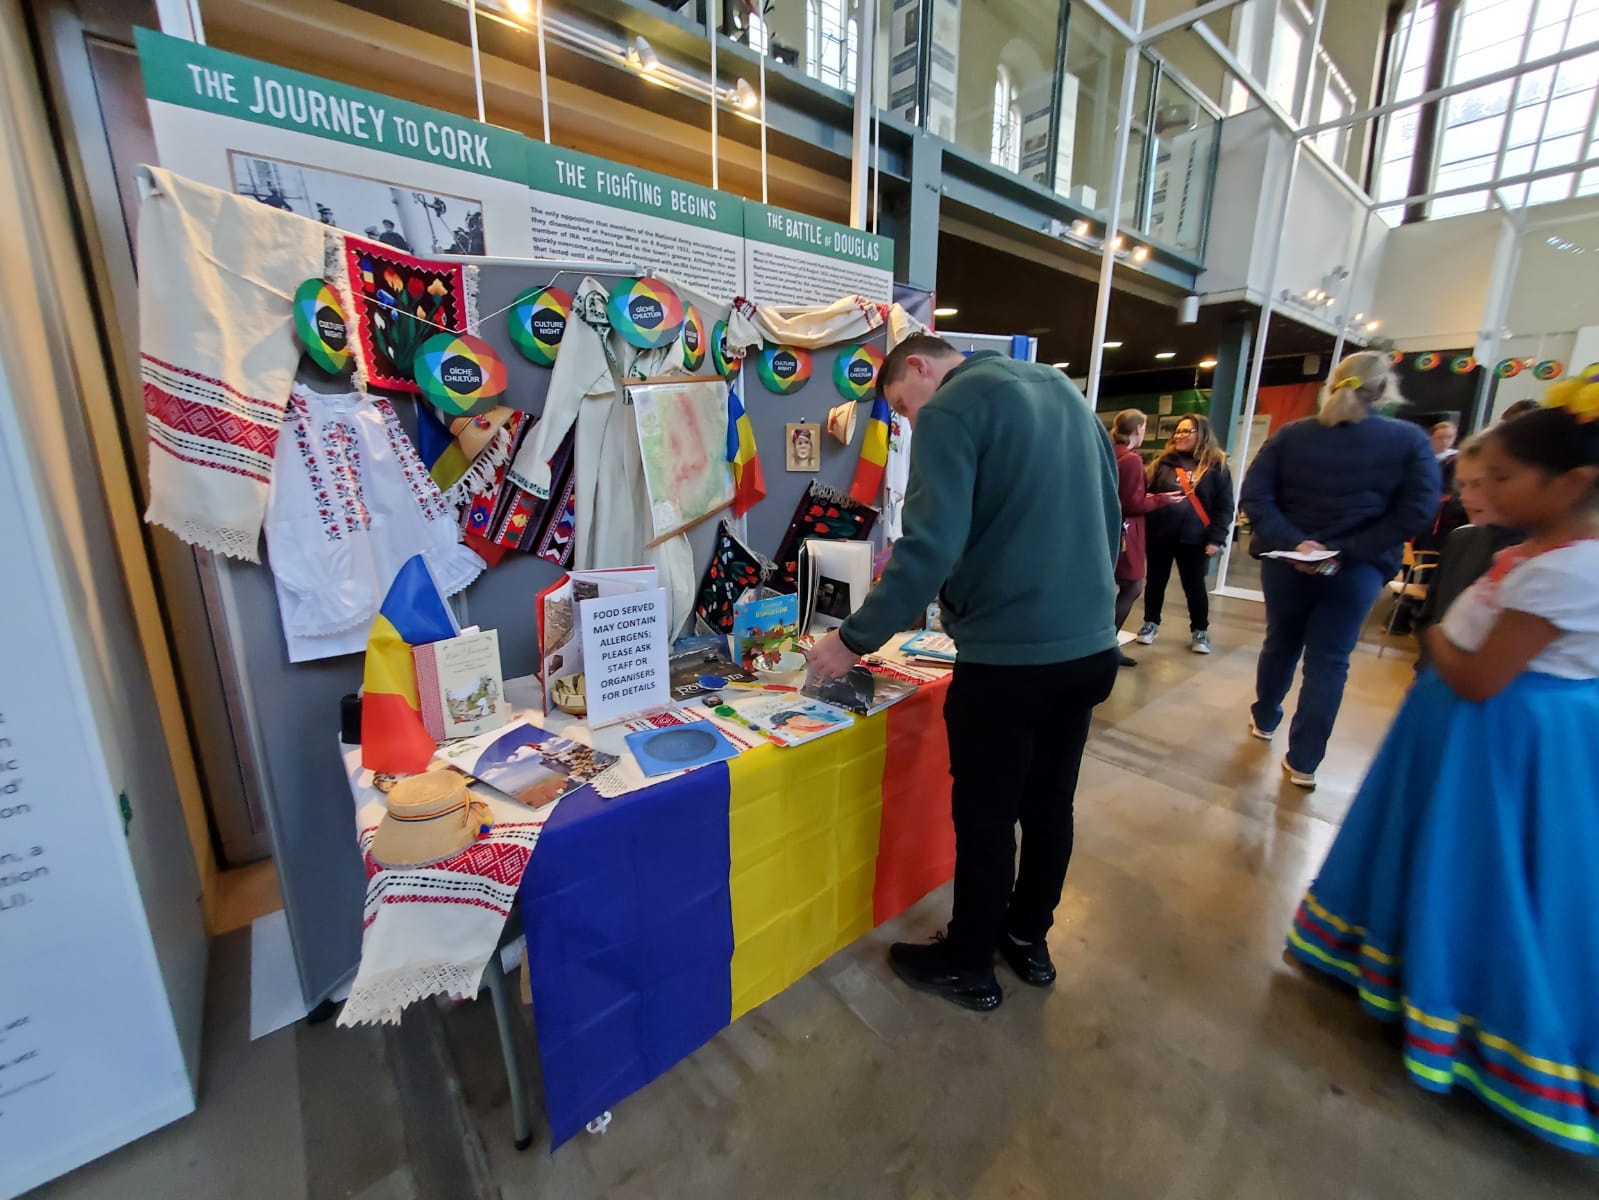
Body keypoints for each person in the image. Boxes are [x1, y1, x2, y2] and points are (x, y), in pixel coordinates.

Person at [1284, 393, 1599, 1155]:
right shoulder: (1539, 551)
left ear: (1570, 482)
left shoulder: (1566, 570)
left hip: (1495, 741)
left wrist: (1434, 639)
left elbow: (1482, 675)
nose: (1483, 492)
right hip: (1472, 735)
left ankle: (1458, 1006)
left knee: (1474, 871)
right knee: (1431, 851)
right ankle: (1397, 967)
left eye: (1503, 478)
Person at [807, 334, 1121, 1011]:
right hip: (1090, 648)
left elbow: (928, 547)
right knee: (1049, 806)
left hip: (1010, 661)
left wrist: (852, 640)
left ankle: (969, 962)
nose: (907, 420)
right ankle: (1027, 940)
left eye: (901, 405)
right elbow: (1110, 512)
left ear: (920, 367)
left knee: (986, 817)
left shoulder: (951, 407)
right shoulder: (1062, 390)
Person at [1240, 351, 1439, 790]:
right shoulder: (1408, 440)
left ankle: (1265, 718)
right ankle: (1304, 761)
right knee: (1329, 662)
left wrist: (1296, 542)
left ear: (1332, 385)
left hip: (1288, 563)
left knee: (1280, 643)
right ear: (1383, 390)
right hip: (1356, 571)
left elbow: (1255, 493)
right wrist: (1345, 552)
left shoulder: (1292, 435)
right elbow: (1418, 509)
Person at [1412, 434, 1523, 670]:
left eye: (1478, 484)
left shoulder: (1539, 556)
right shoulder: (1461, 539)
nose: (1465, 497)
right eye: (1462, 485)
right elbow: (1431, 615)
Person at [1135, 414, 1234, 654]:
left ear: (1201, 434)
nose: (1179, 436)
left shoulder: (1216, 466)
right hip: (1160, 534)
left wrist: (1216, 538)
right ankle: (1150, 623)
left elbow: (1224, 507)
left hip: (1195, 537)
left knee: (1194, 585)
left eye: (1186, 431)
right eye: (1177, 431)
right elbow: (1145, 495)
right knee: (1156, 581)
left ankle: (1200, 629)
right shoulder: (1163, 463)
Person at [1110, 410, 1178, 667]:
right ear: (1139, 428)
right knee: (1132, 587)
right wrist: (1162, 499)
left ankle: (1103, 644)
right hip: (1127, 533)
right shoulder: (1131, 460)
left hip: (1112, 530)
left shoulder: (1111, 454)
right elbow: (1132, 504)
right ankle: (1107, 645)